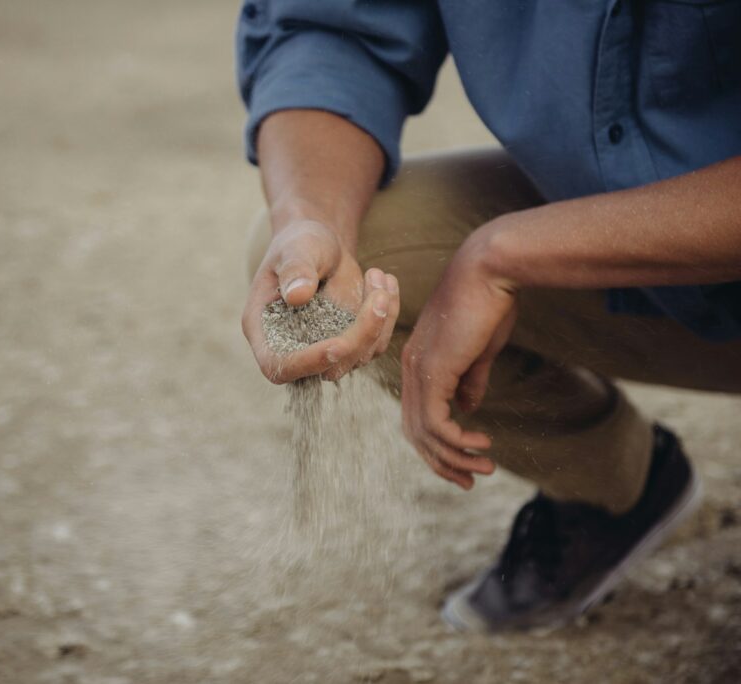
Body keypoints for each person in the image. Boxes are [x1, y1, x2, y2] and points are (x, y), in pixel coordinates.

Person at [235, 0, 741, 631]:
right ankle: (615, 488)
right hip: (629, 229)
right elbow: (333, 30)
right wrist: (311, 216)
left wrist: (506, 255)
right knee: (357, 255)